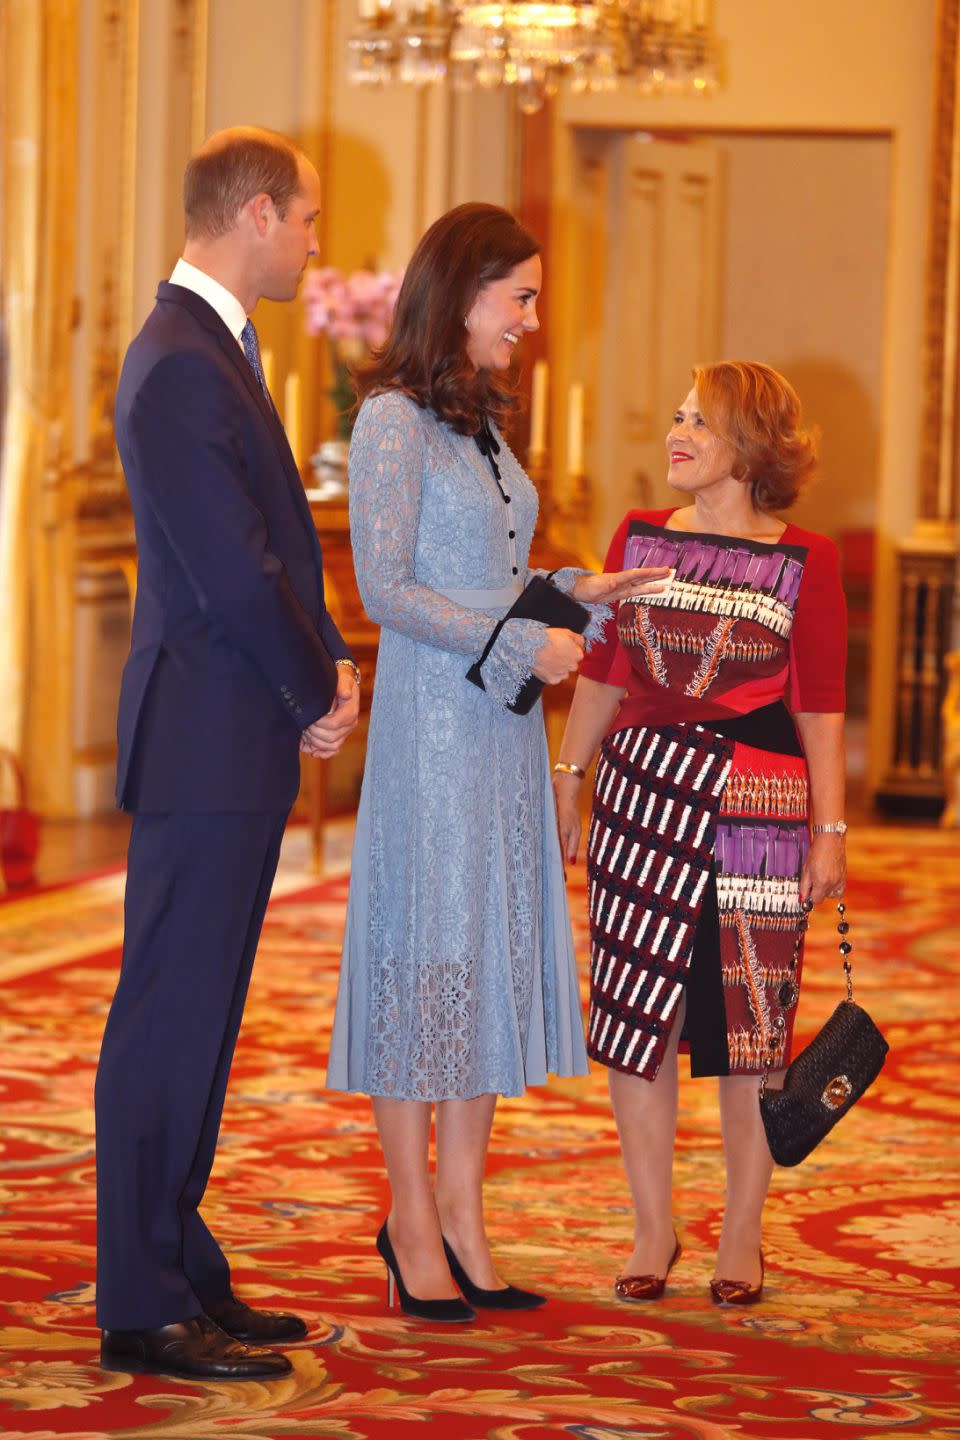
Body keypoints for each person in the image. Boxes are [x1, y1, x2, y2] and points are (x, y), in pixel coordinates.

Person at [327, 202, 669, 1322]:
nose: (531, 319)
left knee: (472, 966)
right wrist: (530, 635)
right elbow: (388, 593)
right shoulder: (391, 422)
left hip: (500, 730)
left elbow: (480, 572)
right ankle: (410, 1220)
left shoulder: (476, 422)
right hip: (433, 736)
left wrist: (578, 589)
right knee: (426, 966)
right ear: (462, 292)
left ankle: (466, 1218)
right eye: (518, 296)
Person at [95, 127, 360, 1381]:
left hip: (226, 739)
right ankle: (142, 1303)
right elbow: (235, 580)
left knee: (200, 1020)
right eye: (308, 219)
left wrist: (318, 676)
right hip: (208, 739)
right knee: (167, 1018)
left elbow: (263, 561)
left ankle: (179, 1263)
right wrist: (315, 686)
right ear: (258, 214)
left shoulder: (213, 353)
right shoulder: (182, 364)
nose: (316, 242)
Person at [554, 360, 847, 1306]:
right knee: (640, 1018)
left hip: (760, 807)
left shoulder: (808, 560)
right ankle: (651, 1225)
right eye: (676, 416)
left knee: (751, 1032)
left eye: (700, 422)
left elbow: (823, 710)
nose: (675, 434)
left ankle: (741, 1233)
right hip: (640, 799)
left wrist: (830, 830)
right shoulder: (638, 537)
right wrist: (569, 774)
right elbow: (601, 671)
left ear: (752, 446)